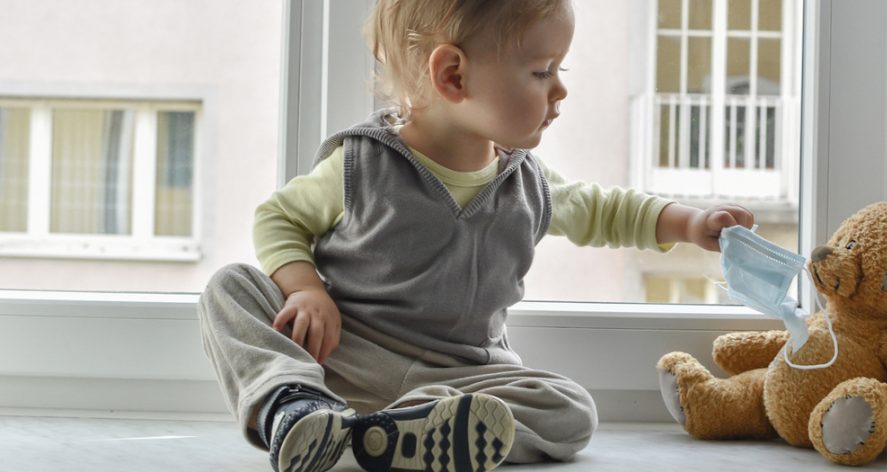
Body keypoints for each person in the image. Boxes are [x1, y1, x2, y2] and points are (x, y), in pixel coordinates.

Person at [197, 1, 754, 471]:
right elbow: (278, 219)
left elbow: (606, 210)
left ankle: (393, 434)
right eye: (541, 71)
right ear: (453, 77)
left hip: (465, 375)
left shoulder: (526, 181)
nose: (559, 89)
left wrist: (689, 222)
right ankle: (292, 407)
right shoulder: (360, 165)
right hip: (346, 355)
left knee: (568, 410)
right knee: (231, 288)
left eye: (560, 70)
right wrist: (305, 289)